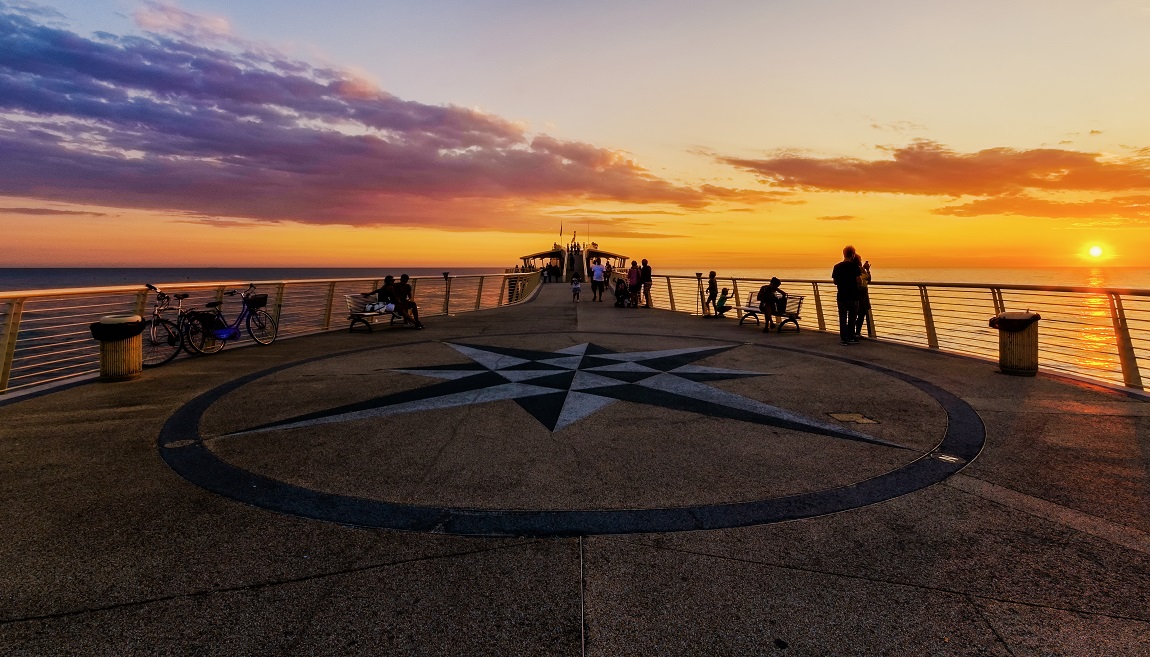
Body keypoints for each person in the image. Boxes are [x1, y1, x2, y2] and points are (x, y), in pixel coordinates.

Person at [832, 246, 862, 345]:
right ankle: (851, 336)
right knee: (852, 318)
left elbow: (835, 281)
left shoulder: (837, 267)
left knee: (843, 318)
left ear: (843, 254)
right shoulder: (855, 267)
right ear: (853, 255)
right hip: (853, 295)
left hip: (841, 296)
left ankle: (843, 339)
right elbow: (859, 281)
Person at [854, 256, 872, 339]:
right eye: (860, 259)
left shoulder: (853, 269)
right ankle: (857, 332)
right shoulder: (860, 268)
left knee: (854, 313)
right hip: (862, 294)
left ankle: (852, 332)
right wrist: (867, 269)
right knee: (861, 313)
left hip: (855, 294)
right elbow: (868, 279)